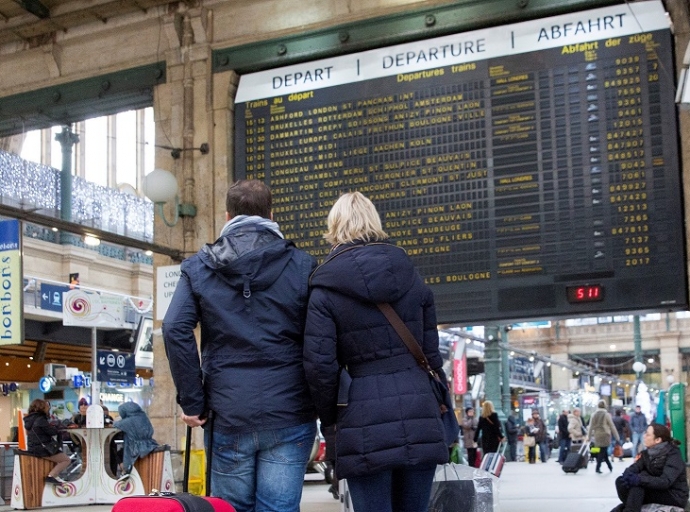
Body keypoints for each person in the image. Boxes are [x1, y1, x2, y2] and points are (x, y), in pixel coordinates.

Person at [163, 180, 317, 512]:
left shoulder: (200, 267)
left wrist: (193, 402)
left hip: (228, 411)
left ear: (228, 215)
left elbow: (175, 327)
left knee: (230, 509)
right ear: (272, 214)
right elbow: (319, 339)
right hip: (290, 411)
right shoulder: (303, 266)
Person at [303, 192, 449, 512]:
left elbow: (320, 365)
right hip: (418, 410)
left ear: (334, 225)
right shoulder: (411, 276)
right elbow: (431, 356)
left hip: (362, 415)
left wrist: (331, 419)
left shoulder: (324, 288)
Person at [611, 424, 689, 512]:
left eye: (647, 434)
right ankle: (628, 507)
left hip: (674, 495)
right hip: (655, 490)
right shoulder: (646, 454)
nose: (644, 436)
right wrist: (628, 474)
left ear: (658, 440)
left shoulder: (673, 455)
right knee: (621, 481)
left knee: (638, 485)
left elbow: (665, 481)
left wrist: (639, 479)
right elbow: (635, 467)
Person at [24, 398, 71, 485]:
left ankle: (55, 476)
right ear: (42, 408)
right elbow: (52, 432)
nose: (48, 408)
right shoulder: (41, 419)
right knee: (66, 460)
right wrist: (57, 427)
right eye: (46, 407)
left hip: (33, 448)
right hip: (43, 449)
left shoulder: (29, 419)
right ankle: (52, 476)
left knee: (58, 459)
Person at [113, 402, 159, 480]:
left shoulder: (128, 421)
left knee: (131, 471)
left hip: (135, 450)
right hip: (149, 446)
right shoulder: (144, 417)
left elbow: (115, 424)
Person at [588, 400, 619, 473]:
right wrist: (617, 436)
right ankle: (598, 467)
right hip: (605, 435)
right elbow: (612, 426)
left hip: (597, 435)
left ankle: (609, 466)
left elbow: (590, 427)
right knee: (602, 451)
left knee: (602, 450)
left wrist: (589, 437)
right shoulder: (606, 414)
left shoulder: (593, 415)